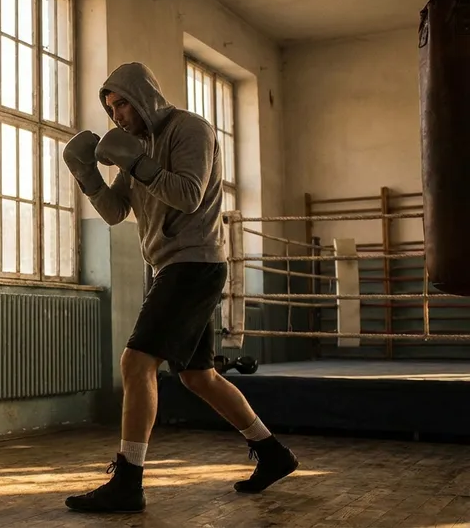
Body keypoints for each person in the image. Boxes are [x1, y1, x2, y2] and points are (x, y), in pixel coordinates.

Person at [62, 63, 299, 513]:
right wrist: (86, 174)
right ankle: (273, 453)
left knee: (136, 363)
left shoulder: (192, 130)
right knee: (198, 376)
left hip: (194, 263)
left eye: (123, 103)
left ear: (145, 96)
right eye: (111, 109)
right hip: (170, 266)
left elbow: (188, 194)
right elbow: (114, 212)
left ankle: (128, 479)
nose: (118, 116)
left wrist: (135, 160)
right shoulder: (136, 146)